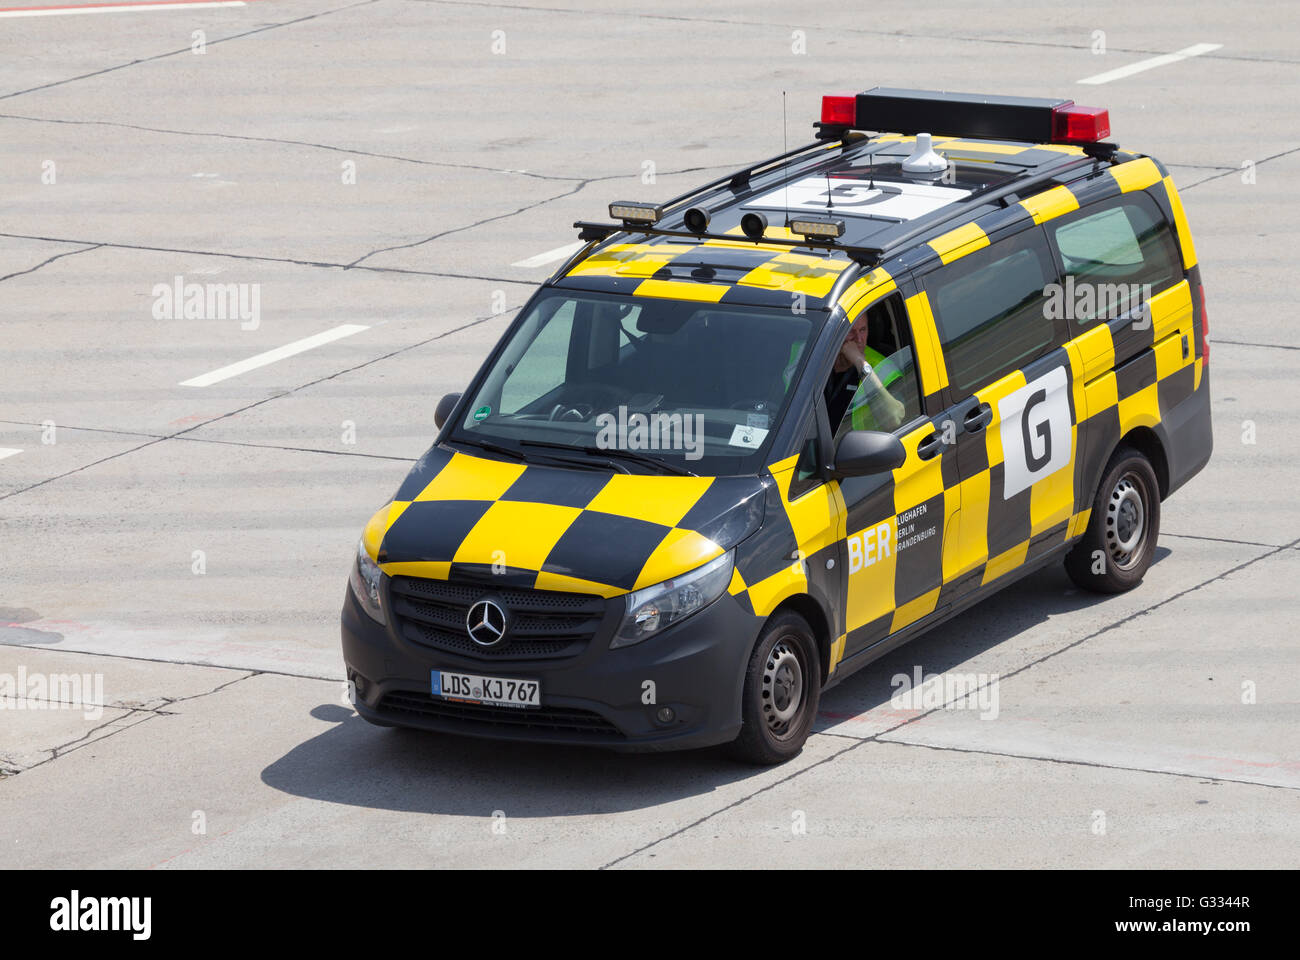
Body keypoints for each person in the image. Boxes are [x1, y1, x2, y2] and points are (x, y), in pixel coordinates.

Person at [825, 312, 908, 432]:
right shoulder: (814, 354)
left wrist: (860, 362)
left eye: (863, 330)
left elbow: (894, 419)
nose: (858, 339)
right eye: (851, 331)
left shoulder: (882, 367)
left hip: (858, 448)